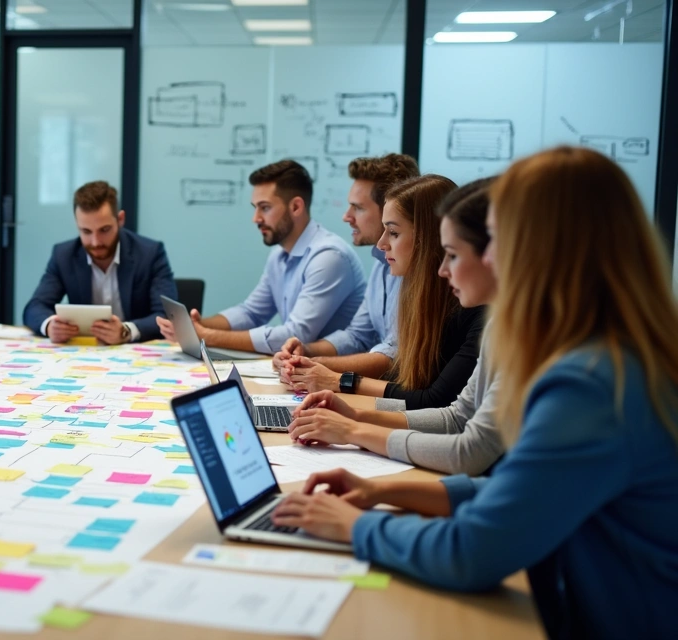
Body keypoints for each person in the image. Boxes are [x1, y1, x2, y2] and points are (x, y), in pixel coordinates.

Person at [272, 147, 678, 639]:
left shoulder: (590, 383)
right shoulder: (598, 349)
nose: (480, 257)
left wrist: (354, 527)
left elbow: (472, 551)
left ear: (540, 249)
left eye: (496, 240)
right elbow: (523, 491)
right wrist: (382, 490)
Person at [284, 178, 504, 475]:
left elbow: (462, 437)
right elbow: (454, 418)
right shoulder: (489, 323)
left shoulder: (492, 319)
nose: (442, 269)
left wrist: (353, 426)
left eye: (452, 254)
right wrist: (354, 416)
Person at [155, 160, 364, 354]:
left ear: (296, 207)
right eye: (255, 209)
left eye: (265, 208)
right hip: (302, 370)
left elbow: (296, 334)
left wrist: (207, 336)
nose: (256, 219)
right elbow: (251, 313)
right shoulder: (279, 255)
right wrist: (196, 327)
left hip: (338, 376)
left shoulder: (329, 257)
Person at [272, 154, 420, 379]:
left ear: (389, 210)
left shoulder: (415, 270)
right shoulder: (381, 263)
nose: (346, 217)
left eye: (358, 208)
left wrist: (316, 364)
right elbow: (357, 336)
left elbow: (394, 356)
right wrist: (306, 351)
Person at [22, 180, 176, 344]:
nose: (95, 242)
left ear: (120, 219)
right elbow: (34, 307)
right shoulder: (64, 255)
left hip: (136, 353)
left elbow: (166, 315)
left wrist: (126, 331)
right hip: (82, 353)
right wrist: (49, 325)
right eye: (86, 231)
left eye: (104, 230)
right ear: (77, 224)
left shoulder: (150, 253)